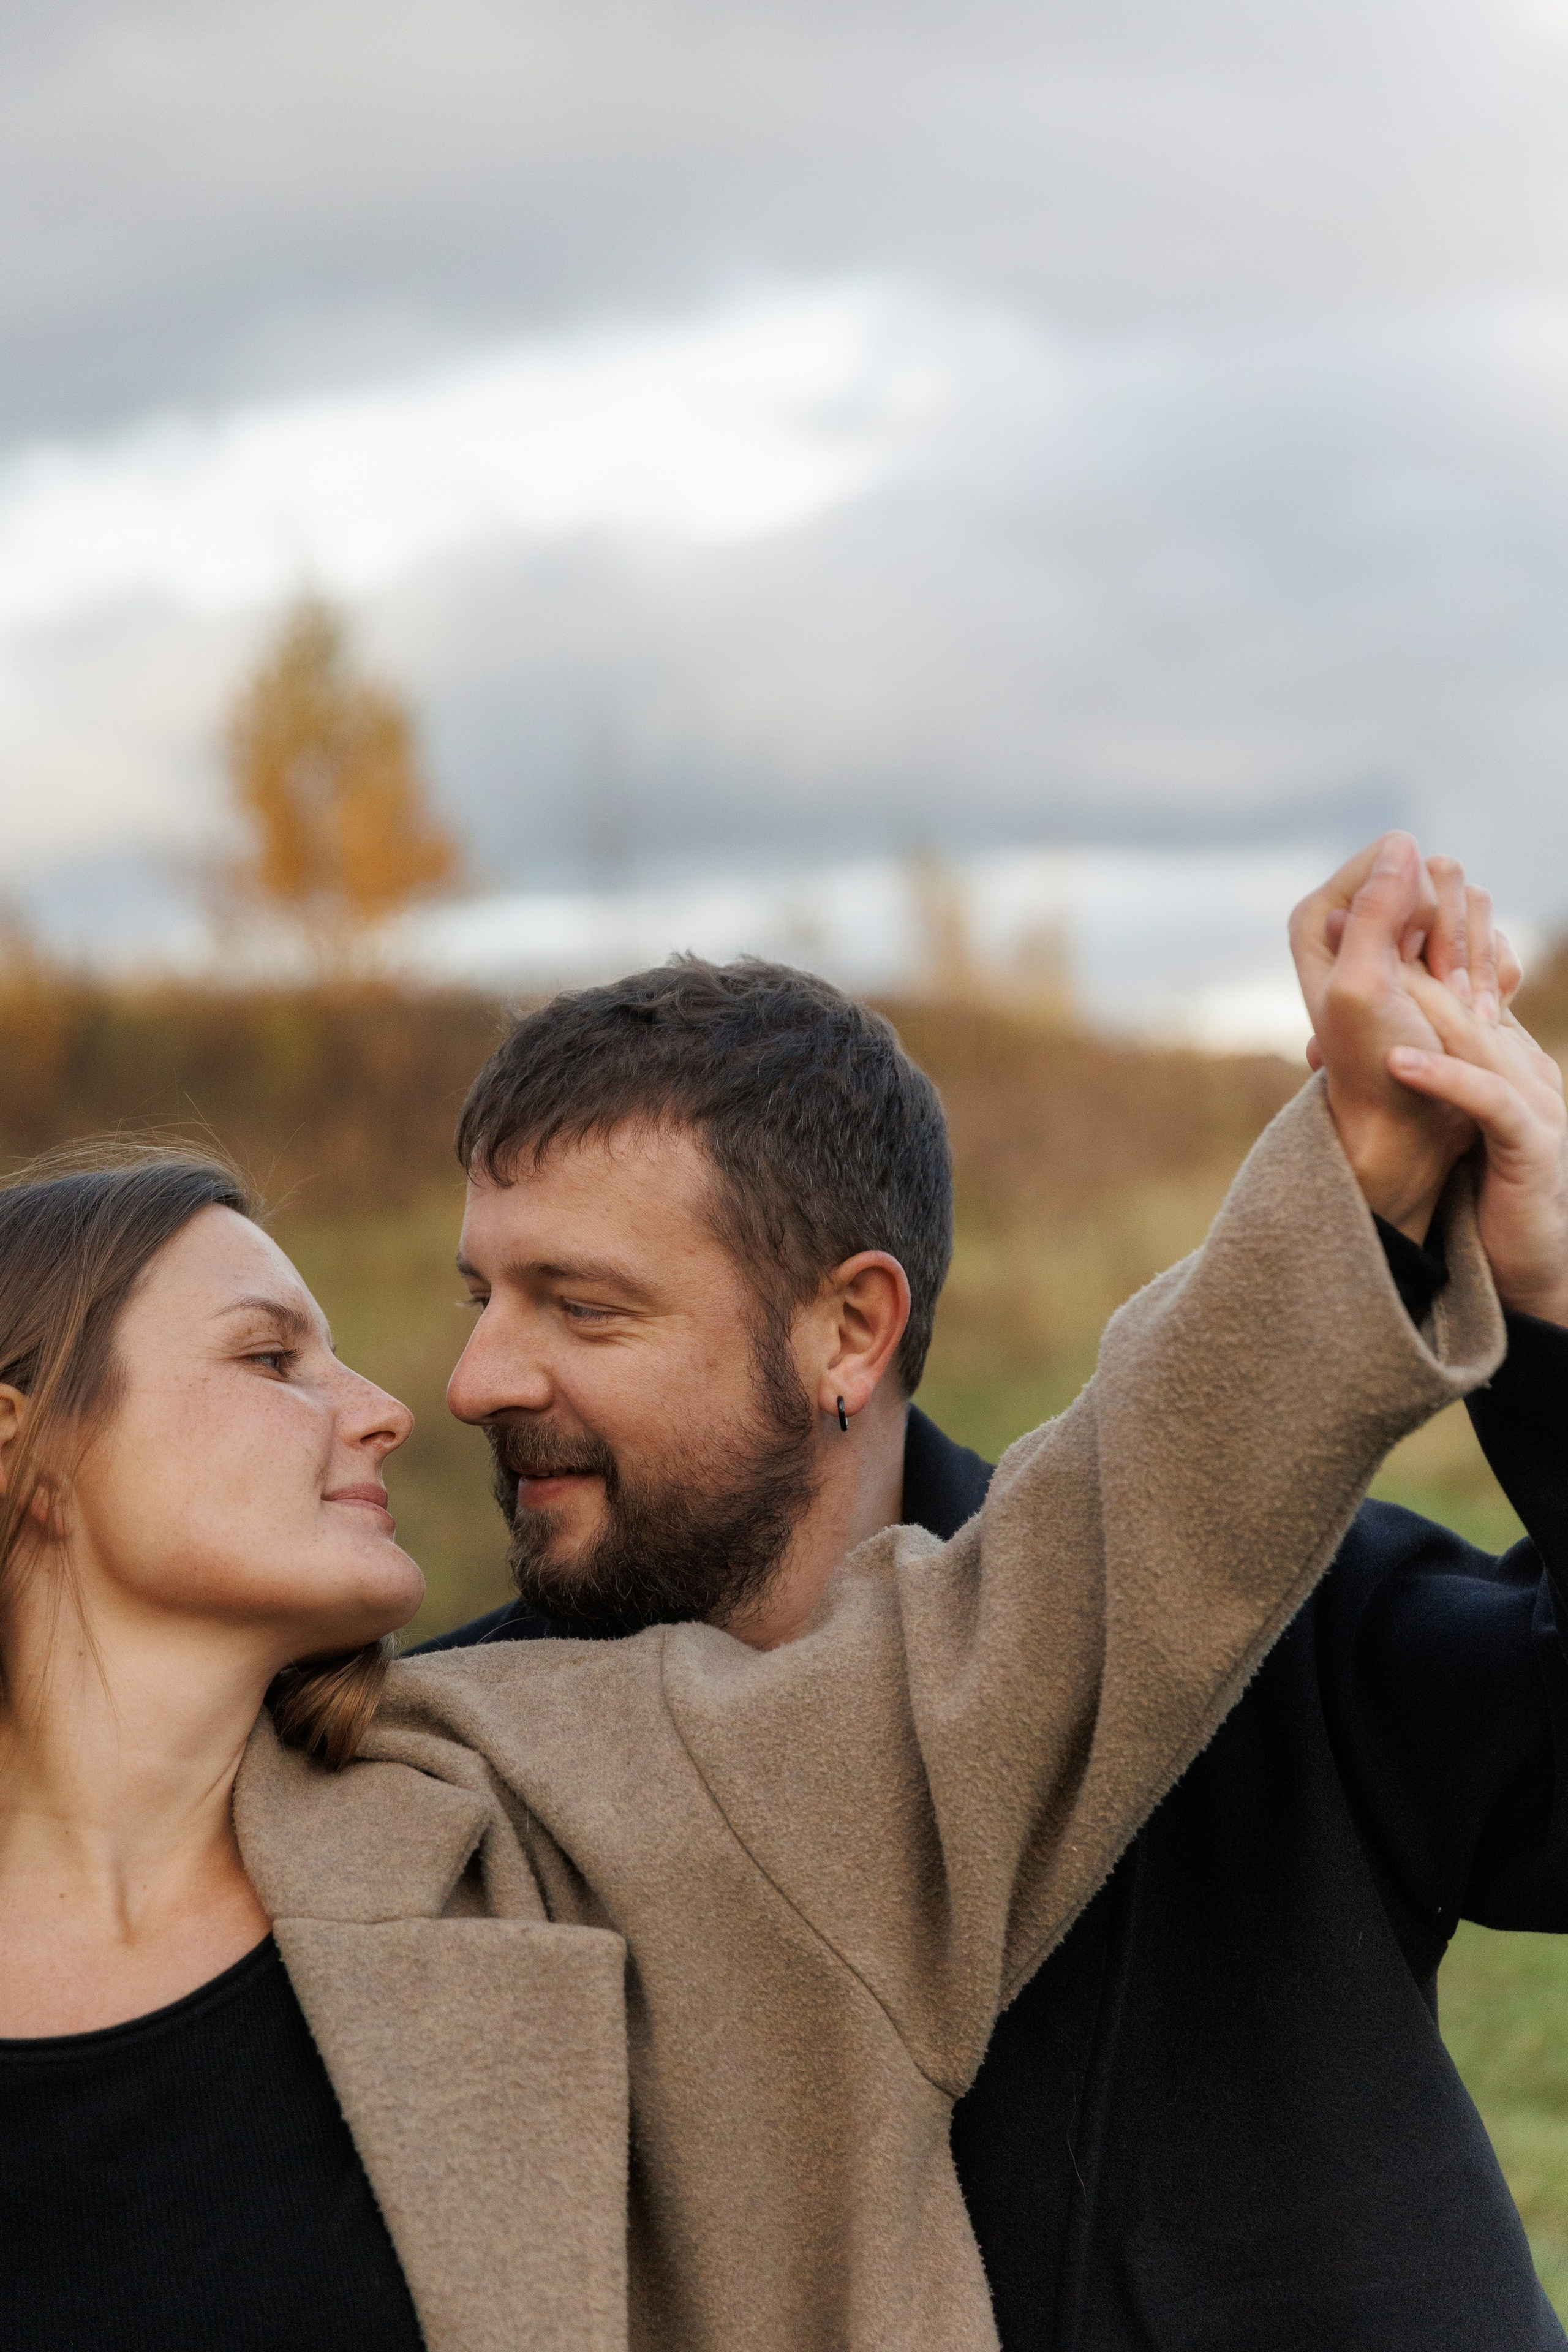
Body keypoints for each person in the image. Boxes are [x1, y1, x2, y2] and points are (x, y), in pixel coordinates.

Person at [0, 832, 1523, 2351]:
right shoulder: (522, 1744)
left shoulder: (544, 1792)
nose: (432, 1394)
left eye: (583, 1305)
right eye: (272, 1359)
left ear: (850, 1329)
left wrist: (1379, 1178)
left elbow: (1116, 1542)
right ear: (26, 1451)